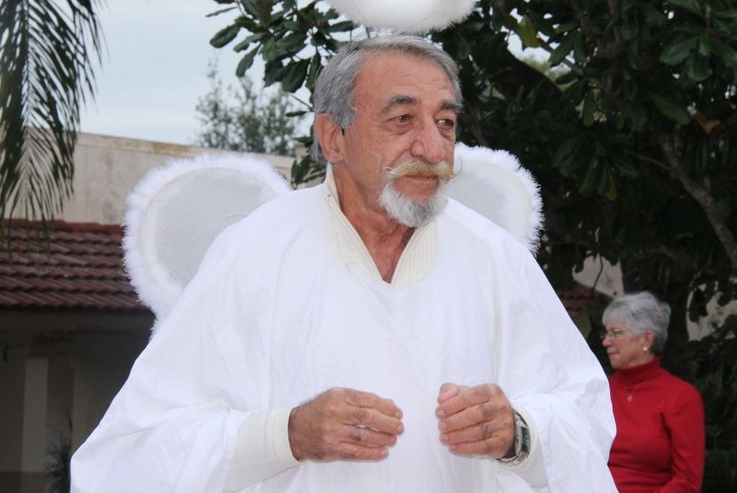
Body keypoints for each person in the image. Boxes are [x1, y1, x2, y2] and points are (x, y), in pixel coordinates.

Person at [71, 35, 617, 492]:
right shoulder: (254, 252)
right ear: (333, 137)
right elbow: (135, 452)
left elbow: (586, 416)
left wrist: (518, 433)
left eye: (446, 123)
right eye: (402, 119)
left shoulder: (495, 257)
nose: (433, 148)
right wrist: (287, 435)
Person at [602, 292, 705, 493]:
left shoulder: (681, 396)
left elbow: (687, 482)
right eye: (606, 334)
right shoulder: (598, 390)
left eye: (615, 333)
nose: (606, 342)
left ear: (646, 339)